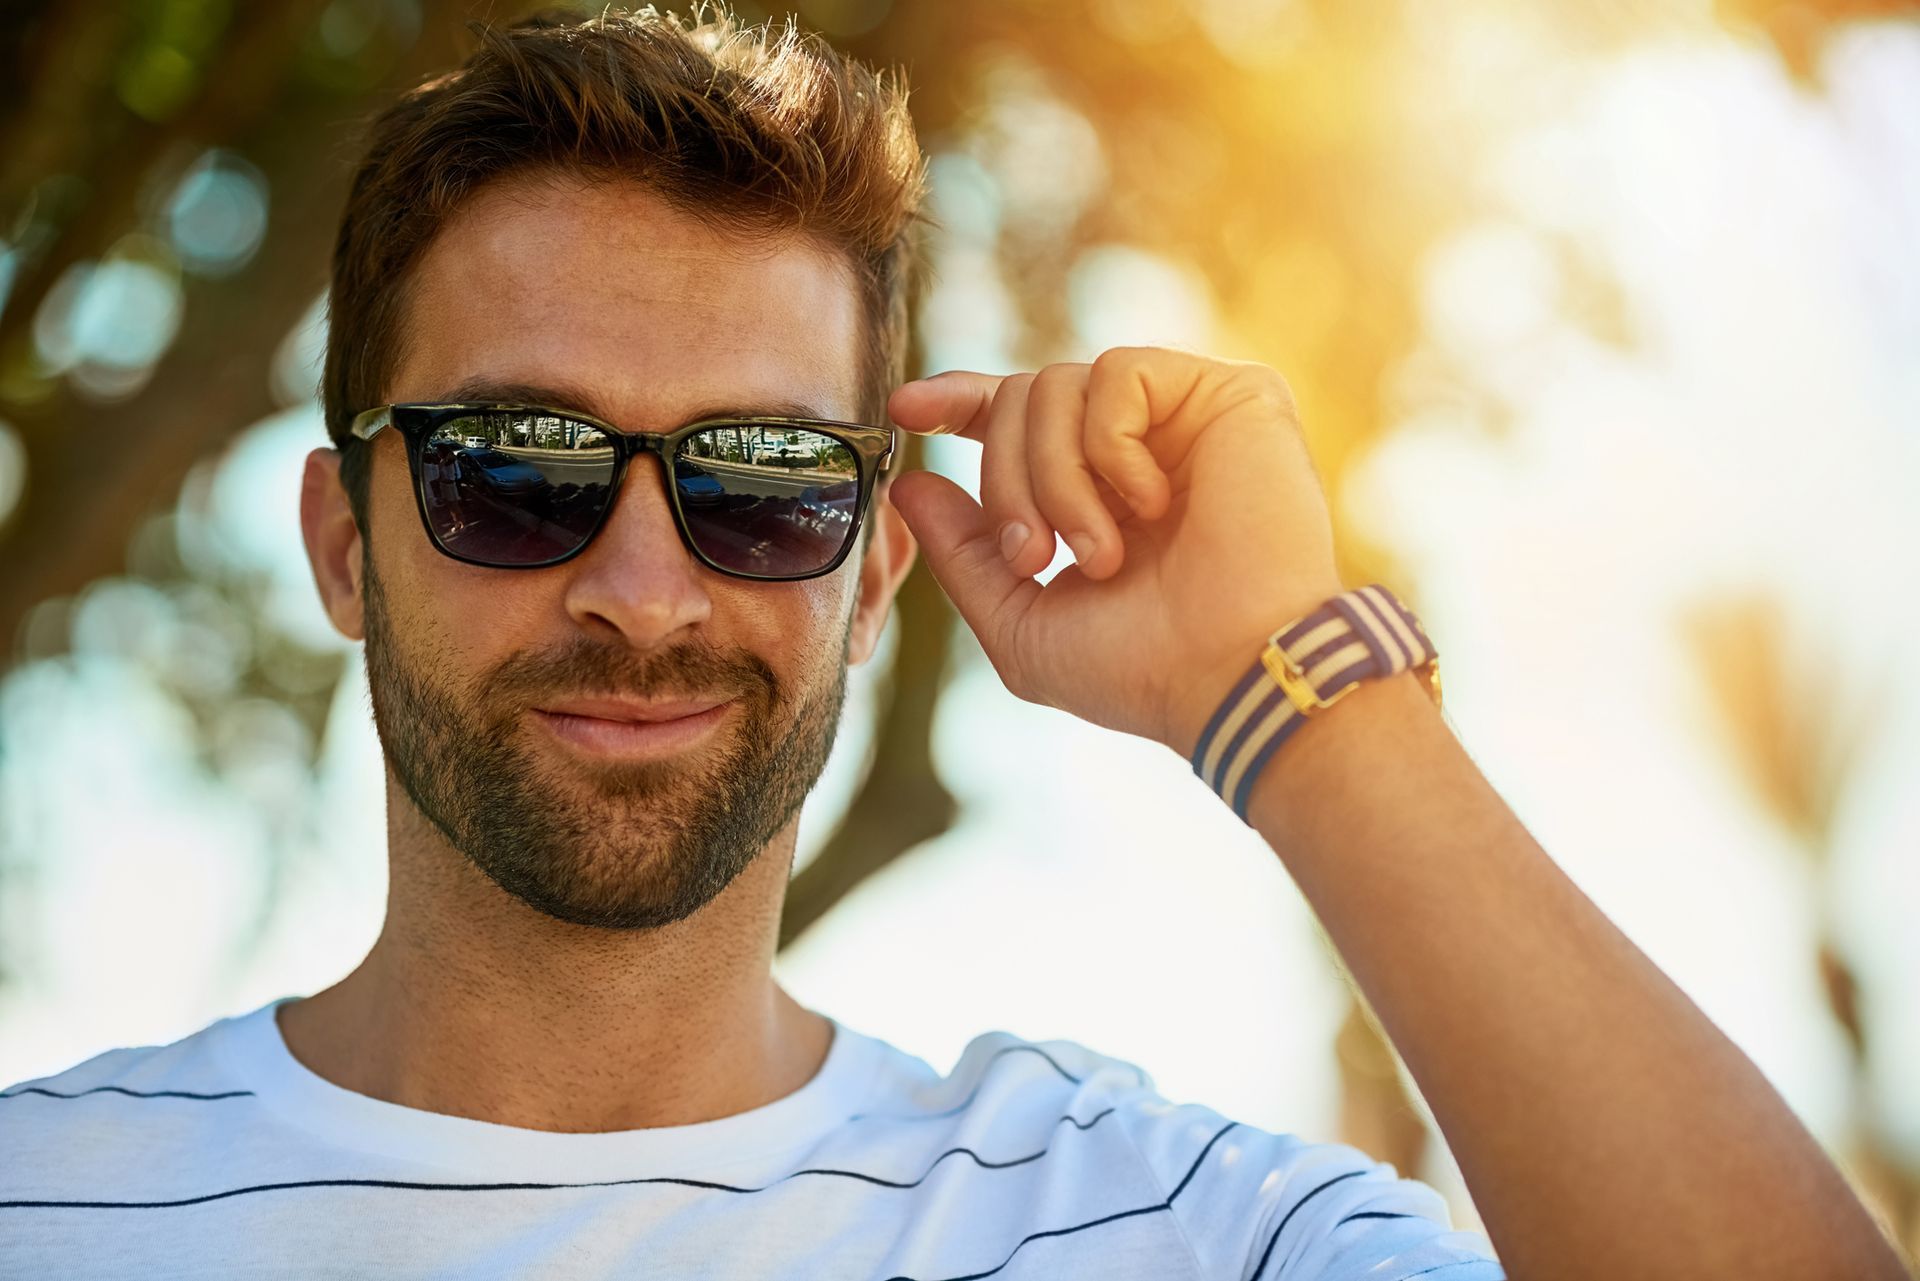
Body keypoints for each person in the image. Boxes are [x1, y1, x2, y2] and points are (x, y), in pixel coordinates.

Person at [0, 7, 1904, 1280]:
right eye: (520, 468)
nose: (645, 594)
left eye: (763, 484)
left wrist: (1297, 700)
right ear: (345, 542)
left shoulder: (1159, 1227)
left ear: (874, 576)